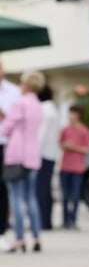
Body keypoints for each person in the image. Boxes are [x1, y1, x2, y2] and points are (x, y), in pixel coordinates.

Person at [1, 70, 44, 253]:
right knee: (31, 198)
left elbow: (6, 128)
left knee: (16, 198)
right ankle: (37, 237)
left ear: (26, 84)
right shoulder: (37, 105)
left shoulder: (19, 103)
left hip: (17, 155)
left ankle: (19, 239)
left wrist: (4, 117)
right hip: (33, 155)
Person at [59, 104, 89, 229]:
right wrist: (65, 145)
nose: (70, 116)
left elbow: (88, 150)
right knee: (64, 195)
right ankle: (65, 220)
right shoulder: (65, 130)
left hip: (78, 168)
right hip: (64, 166)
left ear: (78, 115)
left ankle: (73, 220)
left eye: (72, 113)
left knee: (75, 195)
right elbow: (60, 144)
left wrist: (74, 147)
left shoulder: (85, 131)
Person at [0, 58, 22, 244]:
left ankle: (2, 230)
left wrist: (3, 116)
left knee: (3, 188)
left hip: (7, 145)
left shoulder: (14, 92)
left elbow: (18, 121)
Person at [35, 85, 60, 230]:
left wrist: (34, 152)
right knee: (46, 189)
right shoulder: (52, 108)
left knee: (41, 189)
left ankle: (43, 222)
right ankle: (46, 221)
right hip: (50, 153)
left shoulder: (44, 109)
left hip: (42, 154)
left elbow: (41, 134)